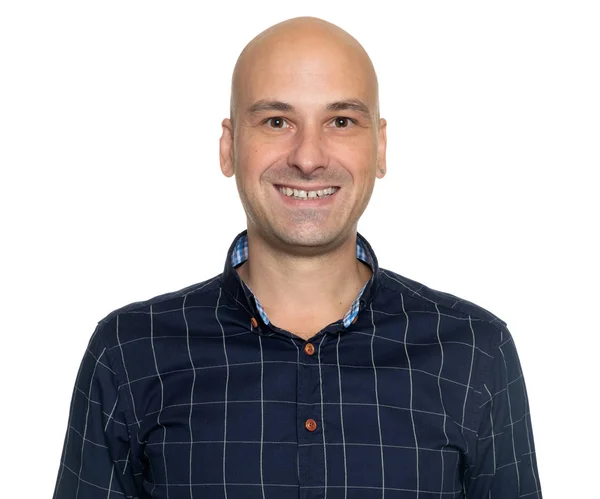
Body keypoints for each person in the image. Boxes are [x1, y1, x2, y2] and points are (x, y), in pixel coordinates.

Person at [53, 16, 542, 499]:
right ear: (229, 147)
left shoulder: (475, 351)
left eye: (341, 121)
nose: (308, 158)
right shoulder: (131, 352)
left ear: (380, 147)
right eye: (276, 121)